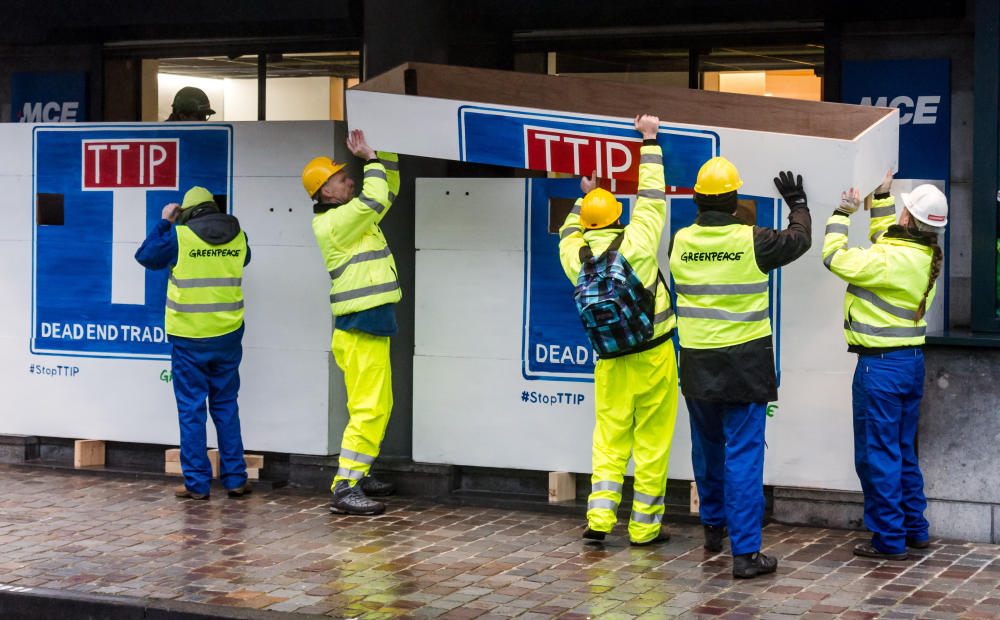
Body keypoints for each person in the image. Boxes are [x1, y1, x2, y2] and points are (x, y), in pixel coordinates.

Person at [668, 160, 811, 578]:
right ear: (734, 202)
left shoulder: (680, 241)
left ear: (695, 199)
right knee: (743, 456)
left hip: (697, 361)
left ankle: (714, 528)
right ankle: (745, 554)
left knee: (707, 449)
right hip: (745, 363)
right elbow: (798, 240)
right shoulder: (754, 240)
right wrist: (798, 203)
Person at [558, 114, 678, 546]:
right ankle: (645, 529)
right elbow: (652, 197)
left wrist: (582, 198)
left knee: (608, 440)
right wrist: (650, 141)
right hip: (654, 355)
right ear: (617, 217)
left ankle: (599, 521)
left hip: (609, 362)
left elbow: (569, 233)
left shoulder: (575, 257)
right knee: (651, 442)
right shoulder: (639, 244)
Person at [822, 173, 946, 560]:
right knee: (902, 451)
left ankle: (889, 540)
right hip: (910, 364)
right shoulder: (923, 256)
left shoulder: (889, 260)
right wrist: (881, 195)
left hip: (881, 369)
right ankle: (915, 529)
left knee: (878, 455)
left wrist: (841, 214)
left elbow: (833, 257)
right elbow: (884, 237)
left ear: (908, 218)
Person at [302, 129, 401, 516]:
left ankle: (361, 473)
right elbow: (376, 195)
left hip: (369, 322)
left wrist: (383, 146)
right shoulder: (336, 222)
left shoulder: (350, 217)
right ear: (327, 192)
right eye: (342, 178)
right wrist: (369, 157)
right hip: (360, 324)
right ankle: (345, 485)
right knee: (369, 406)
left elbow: (386, 189)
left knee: (378, 403)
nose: (351, 179)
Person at [135, 186, 252, 500]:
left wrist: (165, 222)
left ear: (186, 213)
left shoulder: (180, 236)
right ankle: (236, 479)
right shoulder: (238, 236)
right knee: (226, 406)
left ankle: (198, 485)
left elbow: (146, 256)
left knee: (191, 410)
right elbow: (246, 259)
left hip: (189, 339)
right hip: (227, 336)